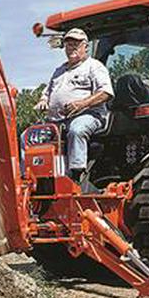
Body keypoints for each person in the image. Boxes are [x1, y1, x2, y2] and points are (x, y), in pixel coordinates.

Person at [35, 28, 113, 182]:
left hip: (89, 115)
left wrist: (82, 104)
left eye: (76, 44)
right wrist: (43, 101)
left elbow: (106, 93)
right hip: (56, 121)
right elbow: (47, 92)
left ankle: (76, 174)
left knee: (77, 129)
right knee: (31, 137)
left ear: (86, 46)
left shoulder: (94, 66)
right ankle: (33, 176)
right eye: (69, 45)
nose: (72, 48)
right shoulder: (59, 71)